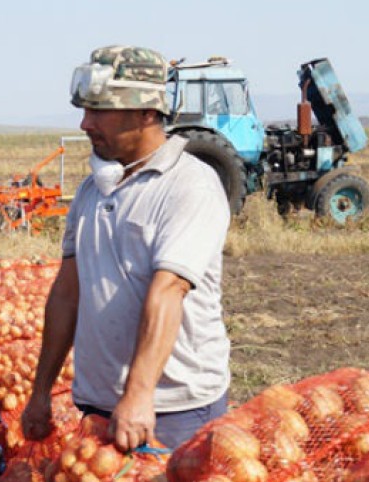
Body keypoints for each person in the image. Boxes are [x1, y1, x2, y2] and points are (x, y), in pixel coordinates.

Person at [21, 45, 231, 452]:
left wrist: (138, 394)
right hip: (101, 406)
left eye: (99, 111)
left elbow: (168, 289)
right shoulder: (91, 190)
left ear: (146, 113)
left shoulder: (190, 185)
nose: (85, 123)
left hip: (170, 409)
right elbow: (67, 293)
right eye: (85, 110)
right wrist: (41, 391)